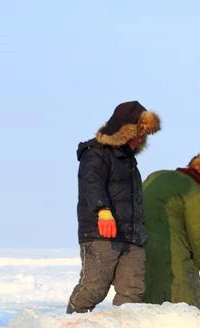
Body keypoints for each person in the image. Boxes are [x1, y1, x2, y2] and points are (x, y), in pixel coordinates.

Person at [68, 101, 160, 313]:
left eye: (143, 136)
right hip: (102, 233)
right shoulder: (96, 153)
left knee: (132, 291)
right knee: (94, 288)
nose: (140, 140)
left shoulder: (128, 161)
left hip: (132, 235)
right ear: (124, 131)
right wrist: (103, 211)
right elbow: (91, 184)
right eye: (137, 134)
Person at [142, 154, 200, 312]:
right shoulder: (197, 194)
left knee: (148, 298)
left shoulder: (159, 175)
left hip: (138, 244)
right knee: (189, 301)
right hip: (170, 249)